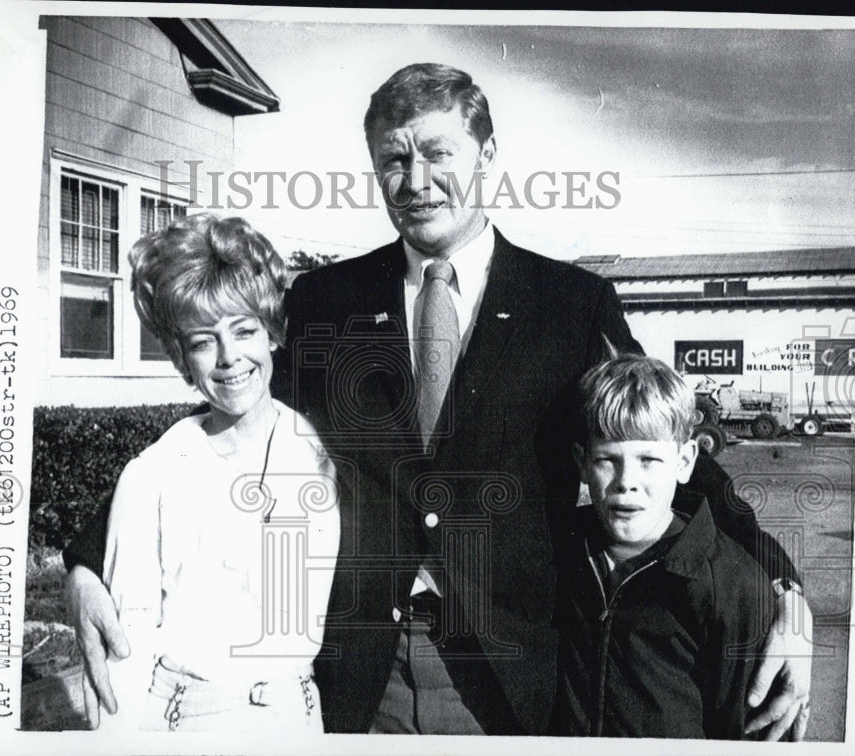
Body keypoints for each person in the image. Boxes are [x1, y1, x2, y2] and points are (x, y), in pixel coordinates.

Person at [63, 63, 812, 739]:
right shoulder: (329, 300)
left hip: (509, 672)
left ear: (486, 156)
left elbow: (664, 438)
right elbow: (233, 418)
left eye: (436, 153)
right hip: (361, 669)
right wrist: (88, 562)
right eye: (393, 159)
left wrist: (784, 589)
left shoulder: (572, 302)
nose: (415, 179)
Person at [92, 214, 339, 732]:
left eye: (244, 331)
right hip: (188, 721)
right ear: (182, 358)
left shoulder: (326, 454)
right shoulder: (153, 476)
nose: (230, 358)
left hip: (300, 718)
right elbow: (124, 655)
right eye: (204, 341)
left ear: (271, 332)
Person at [554, 354, 774, 738]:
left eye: (649, 460)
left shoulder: (732, 584)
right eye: (607, 459)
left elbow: (746, 730)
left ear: (685, 461)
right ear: (582, 463)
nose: (627, 481)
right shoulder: (563, 550)